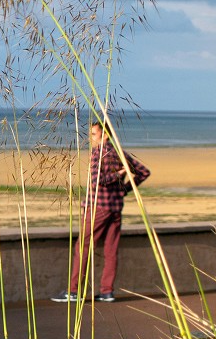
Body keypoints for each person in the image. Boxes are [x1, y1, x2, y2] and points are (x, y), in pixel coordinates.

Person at [52, 121, 150, 303]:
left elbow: (98, 180)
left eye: (94, 134)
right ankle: (107, 292)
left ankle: (73, 292)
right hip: (115, 208)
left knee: (83, 247)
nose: (91, 138)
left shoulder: (98, 152)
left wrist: (120, 175)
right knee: (110, 250)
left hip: (98, 208)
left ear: (105, 135)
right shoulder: (119, 153)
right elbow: (143, 172)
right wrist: (124, 190)